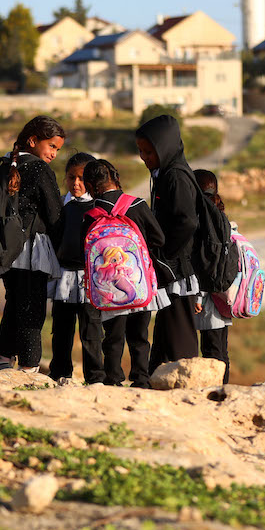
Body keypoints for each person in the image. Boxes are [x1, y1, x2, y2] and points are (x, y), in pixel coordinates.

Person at [0, 115, 66, 373]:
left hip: (6, 249)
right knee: (32, 306)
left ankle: (4, 357)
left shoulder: (6, 165)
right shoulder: (40, 170)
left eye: (57, 149)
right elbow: (54, 214)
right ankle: (30, 365)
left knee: (14, 301)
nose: (53, 153)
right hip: (31, 249)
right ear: (33, 141)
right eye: (51, 146)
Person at [82, 158, 168, 386]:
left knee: (112, 338)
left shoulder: (91, 214)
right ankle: (141, 378)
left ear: (89, 186)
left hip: (108, 289)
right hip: (139, 282)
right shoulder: (137, 205)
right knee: (139, 337)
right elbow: (159, 238)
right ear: (116, 178)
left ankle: (113, 379)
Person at [134, 114, 201, 372]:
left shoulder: (176, 176)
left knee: (178, 334)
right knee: (166, 331)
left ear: (165, 148)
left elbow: (187, 222)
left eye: (149, 151)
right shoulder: (164, 174)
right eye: (141, 151)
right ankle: (156, 380)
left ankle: (185, 385)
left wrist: (165, 253)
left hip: (177, 268)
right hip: (170, 267)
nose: (144, 157)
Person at [47, 152, 105, 383]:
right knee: (61, 329)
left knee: (91, 330)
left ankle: (96, 377)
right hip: (63, 276)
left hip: (91, 279)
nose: (76, 183)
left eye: (81, 178)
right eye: (71, 178)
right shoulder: (62, 205)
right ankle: (60, 373)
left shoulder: (99, 207)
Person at [193, 169, 232, 384]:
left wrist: (199, 295)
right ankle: (222, 389)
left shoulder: (204, 217)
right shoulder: (220, 215)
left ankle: (218, 392)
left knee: (212, 349)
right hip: (224, 291)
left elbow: (206, 260)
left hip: (209, 293)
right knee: (220, 348)